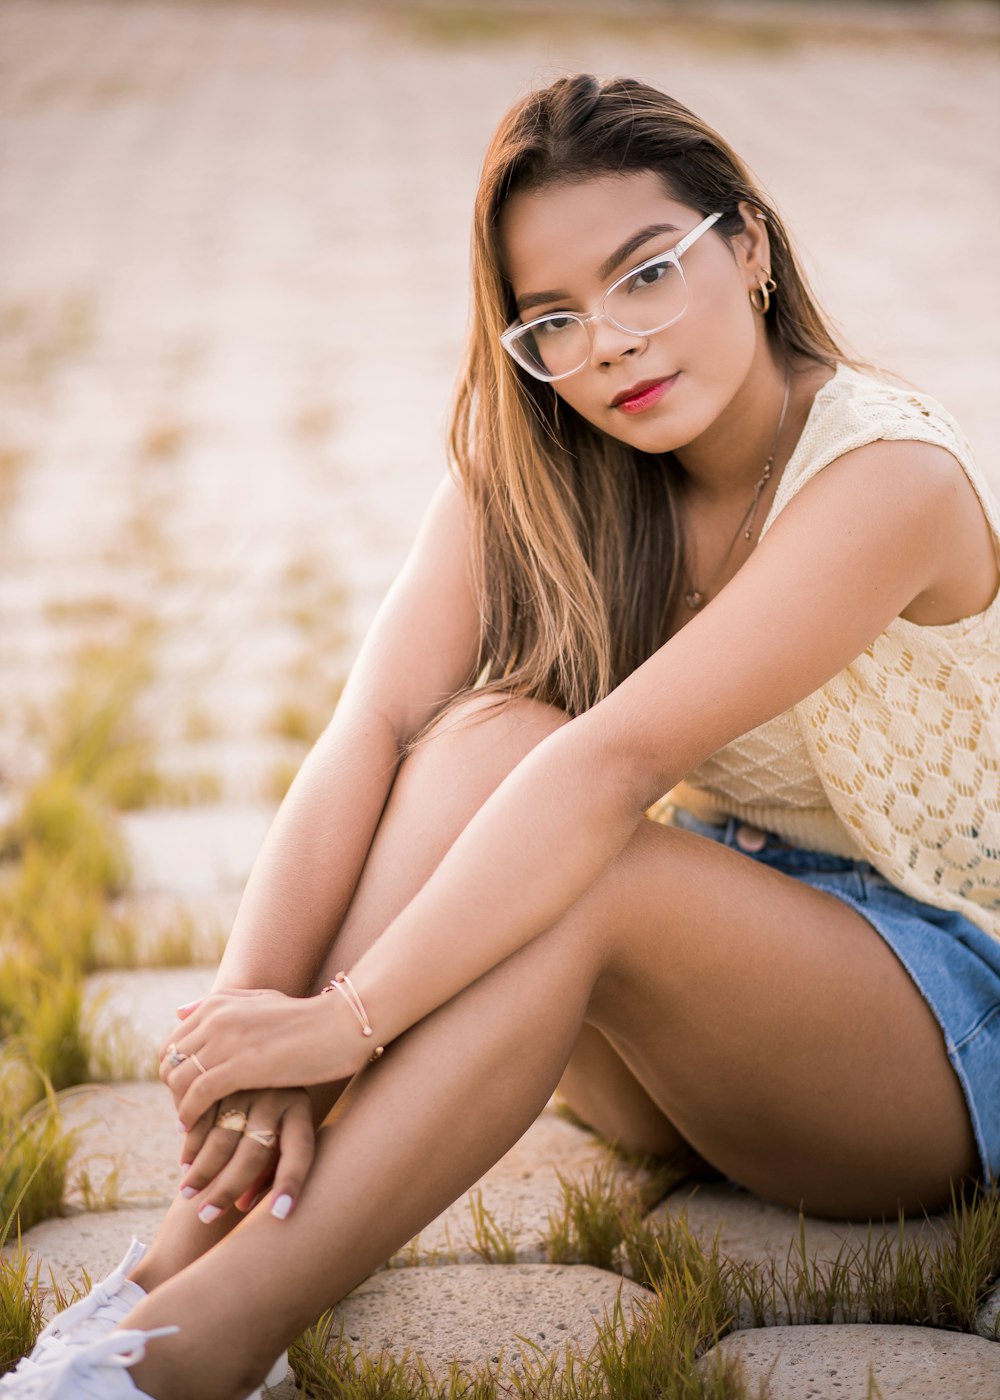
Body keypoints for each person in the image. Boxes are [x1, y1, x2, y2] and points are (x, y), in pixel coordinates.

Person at [4, 72, 998, 1400]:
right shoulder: (550, 462)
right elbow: (371, 729)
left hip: (918, 1040)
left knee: (595, 855)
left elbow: (617, 766)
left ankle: (200, 1348)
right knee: (481, 736)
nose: (612, 346)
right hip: (691, 1033)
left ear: (748, 245)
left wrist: (346, 1025)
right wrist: (252, 1026)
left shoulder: (887, 478)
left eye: (646, 274)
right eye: (556, 321)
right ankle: (168, 1267)